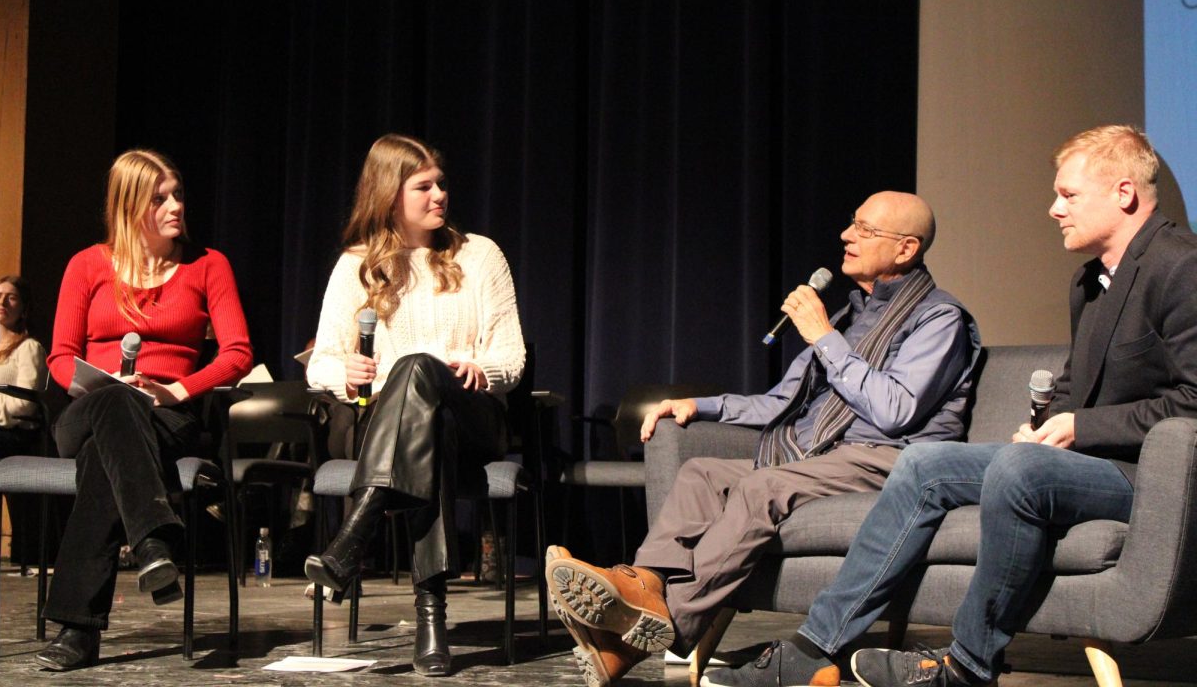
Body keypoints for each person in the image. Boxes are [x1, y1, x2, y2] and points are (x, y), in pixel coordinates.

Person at [702, 125, 1197, 687]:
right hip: (1087, 462)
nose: (1054, 209)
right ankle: (817, 650)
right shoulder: (1089, 283)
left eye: (1069, 195)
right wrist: (1043, 423)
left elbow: (1195, 403)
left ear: (1124, 193)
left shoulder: (1182, 267)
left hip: (1152, 478)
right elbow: (1074, 384)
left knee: (1020, 470)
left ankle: (966, 665)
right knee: (925, 462)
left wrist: (1079, 426)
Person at [546, 191, 982, 687]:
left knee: (761, 486)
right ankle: (643, 588)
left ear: (906, 249)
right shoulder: (851, 316)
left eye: (864, 230)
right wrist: (700, 406)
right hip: (824, 455)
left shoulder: (939, 318)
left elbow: (896, 410)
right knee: (701, 474)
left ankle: (662, 623)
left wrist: (824, 338)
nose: (846, 236)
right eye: (851, 224)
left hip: (891, 460)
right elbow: (781, 402)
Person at [304, 133, 525, 677]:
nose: (439, 196)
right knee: (428, 429)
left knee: (418, 368)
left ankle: (357, 529)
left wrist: (484, 368)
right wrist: (345, 372)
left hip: (473, 409)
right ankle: (432, 620)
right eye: (423, 187)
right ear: (388, 194)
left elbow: (512, 356)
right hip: (402, 425)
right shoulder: (356, 265)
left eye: (441, 184)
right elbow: (320, 364)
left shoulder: (481, 254)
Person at [37, 150, 253, 671]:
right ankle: (155, 535)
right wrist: (103, 385)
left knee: (102, 461)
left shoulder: (208, 265)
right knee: (114, 401)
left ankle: (78, 632)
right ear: (130, 205)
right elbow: (61, 357)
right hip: (86, 409)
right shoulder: (87, 265)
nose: (176, 206)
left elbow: (238, 353)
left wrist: (177, 391)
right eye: (160, 198)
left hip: (165, 416)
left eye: (178, 194)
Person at [0, 275, 48, 438]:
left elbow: (26, 404)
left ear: (24, 309)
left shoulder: (29, 348)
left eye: (11, 298)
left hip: (14, 434)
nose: (2, 302)